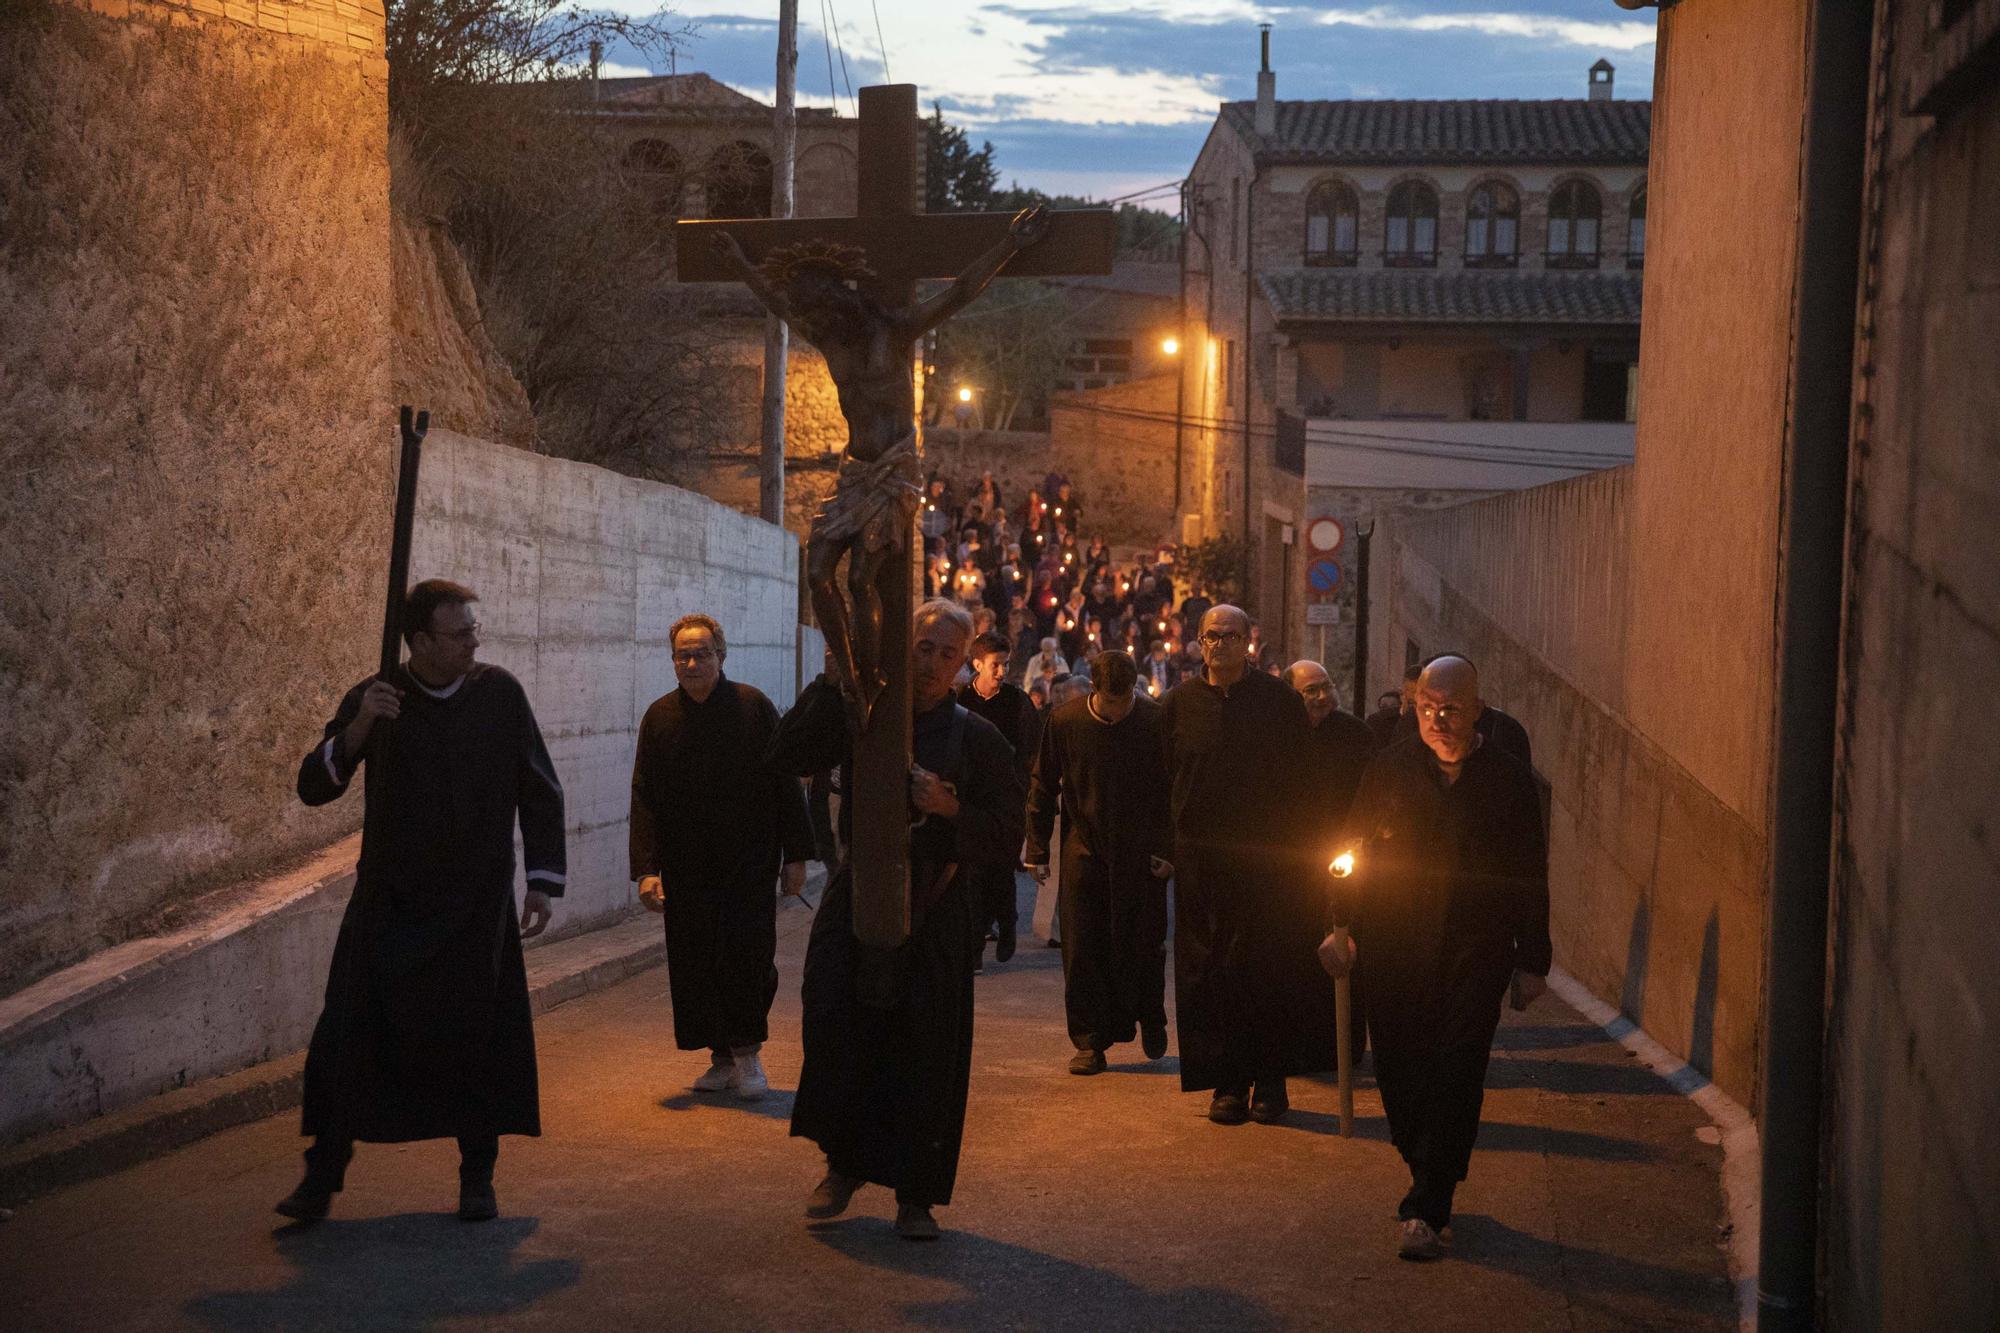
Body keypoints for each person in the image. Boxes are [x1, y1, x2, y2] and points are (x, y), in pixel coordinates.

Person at [281, 580, 565, 1224]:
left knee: (478, 1039)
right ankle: (322, 1175)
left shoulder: (499, 694)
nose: (474, 641)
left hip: (474, 904)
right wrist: (358, 729)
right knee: (348, 1039)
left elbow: (538, 789)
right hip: (390, 902)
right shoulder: (378, 697)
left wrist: (543, 881)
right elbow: (313, 787)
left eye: (473, 630)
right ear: (418, 642)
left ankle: (477, 1177)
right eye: (459, 632)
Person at [768, 599, 1025, 1241]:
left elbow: (1004, 834)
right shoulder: (864, 713)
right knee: (837, 1025)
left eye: (947, 654)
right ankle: (842, 1165)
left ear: (963, 665)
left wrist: (947, 807)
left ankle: (916, 1194)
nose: (933, 664)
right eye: (923, 648)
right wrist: (832, 684)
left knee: (926, 1049)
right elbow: (787, 752)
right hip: (859, 891)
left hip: (936, 908)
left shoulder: (978, 738)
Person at [1319, 656, 1550, 1261]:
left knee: (1457, 1066)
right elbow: (1351, 848)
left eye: (1450, 708)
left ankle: (1426, 1202)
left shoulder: (1507, 780)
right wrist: (1339, 925)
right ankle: (1426, 1166)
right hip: (1395, 944)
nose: (1437, 719)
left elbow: (1529, 872)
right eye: (1426, 707)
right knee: (1400, 1070)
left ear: (1477, 708)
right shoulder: (1389, 771)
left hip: (1477, 949)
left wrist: (1534, 959)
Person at [631, 615, 814, 1100]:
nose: (692, 663)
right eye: (683, 655)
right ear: (673, 660)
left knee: (748, 957)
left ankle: (748, 1052)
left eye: (702, 653)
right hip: (685, 865)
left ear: (721, 655)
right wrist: (647, 869)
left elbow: (785, 782)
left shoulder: (753, 707)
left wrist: (796, 856)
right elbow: (644, 794)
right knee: (695, 961)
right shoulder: (659, 717)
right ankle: (720, 1055)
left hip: (748, 861)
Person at [1160, 605, 1321, 1125]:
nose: (1221, 644)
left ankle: (1270, 1082)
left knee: (1268, 969)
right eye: (1212, 636)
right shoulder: (1179, 705)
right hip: (1203, 866)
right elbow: (1161, 781)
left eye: (1231, 636)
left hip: (1269, 864)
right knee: (1212, 973)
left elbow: (1303, 782)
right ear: (1199, 643)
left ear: (1248, 642)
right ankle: (1226, 1082)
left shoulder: (1279, 703)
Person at [1024, 651, 1173, 1074]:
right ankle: (1089, 1041)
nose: (1119, 709)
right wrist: (1036, 848)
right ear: (1094, 691)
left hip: (1140, 850)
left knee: (1142, 940)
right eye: (1112, 701)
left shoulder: (1152, 721)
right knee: (1082, 945)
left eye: (1126, 700)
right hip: (1084, 846)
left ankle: (1150, 1015)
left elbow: (1171, 790)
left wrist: (1167, 850)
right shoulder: (1067, 722)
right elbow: (1043, 782)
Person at [1283, 659, 1380, 1056]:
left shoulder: (1356, 734)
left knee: (1346, 943)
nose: (1323, 696)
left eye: (1326, 686)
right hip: (1295, 859)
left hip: (1345, 854)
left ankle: (1345, 1044)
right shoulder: (1280, 736)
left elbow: (1372, 790)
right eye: (1311, 691)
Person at [959, 630, 1039, 969]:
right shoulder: (962, 702)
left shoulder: (1016, 702)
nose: (1001, 672)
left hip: (1005, 801)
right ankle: (974, 947)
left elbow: (1029, 748)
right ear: (977, 664)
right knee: (973, 875)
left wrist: (1018, 787)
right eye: (995, 665)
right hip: (973, 801)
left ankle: (1007, 923)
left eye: (1005, 664)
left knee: (1001, 871)